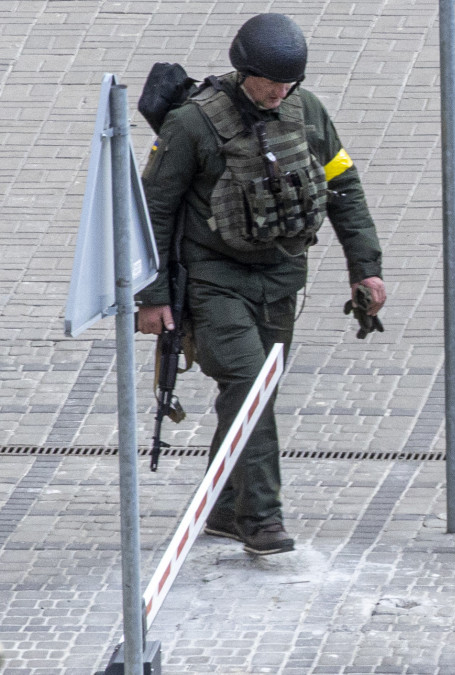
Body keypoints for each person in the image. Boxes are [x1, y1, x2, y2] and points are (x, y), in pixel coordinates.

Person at [135, 13, 386, 556]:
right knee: (250, 387)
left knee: (254, 394)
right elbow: (152, 211)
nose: (279, 92)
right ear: (242, 69)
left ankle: (224, 509)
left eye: (287, 83)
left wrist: (364, 266)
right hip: (213, 280)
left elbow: (343, 186)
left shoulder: (307, 111)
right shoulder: (193, 124)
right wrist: (152, 296)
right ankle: (262, 519)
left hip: (281, 277)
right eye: (270, 82)